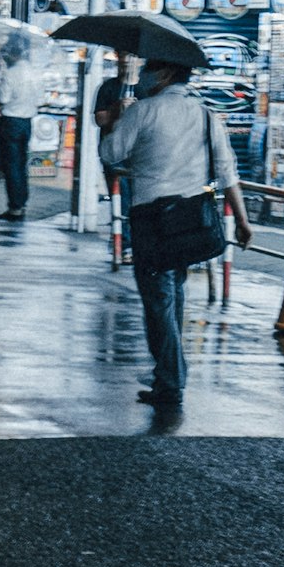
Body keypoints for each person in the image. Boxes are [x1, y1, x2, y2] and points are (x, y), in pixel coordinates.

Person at [98, 56, 243, 416]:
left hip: (152, 219)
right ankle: (168, 374)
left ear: (164, 73)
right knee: (173, 293)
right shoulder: (207, 115)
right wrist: (242, 220)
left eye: (149, 69)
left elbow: (110, 153)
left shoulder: (143, 111)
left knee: (159, 300)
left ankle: (171, 379)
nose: (144, 75)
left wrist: (116, 119)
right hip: (191, 220)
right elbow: (227, 170)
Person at [0, 15, 61, 227]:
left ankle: (14, 207)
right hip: (27, 123)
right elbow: (40, 99)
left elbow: (4, 99)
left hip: (10, 123)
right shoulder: (35, 73)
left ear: (13, 53)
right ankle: (21, 203)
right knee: (21, 164)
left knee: (12, 166)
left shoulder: (11, 74)